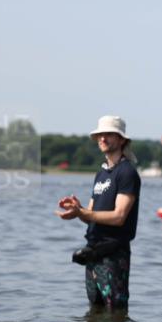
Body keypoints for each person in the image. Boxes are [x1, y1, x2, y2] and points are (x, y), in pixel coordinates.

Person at [57, 116, 141, 310]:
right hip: (93, 252)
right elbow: (93, 215)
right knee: (94, 314)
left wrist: (84, 213)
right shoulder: (101, 173)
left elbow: (119, 216)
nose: (102, 138)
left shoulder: (127, 172)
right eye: (100, 135)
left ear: (121, 140)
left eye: (109, 134)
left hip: (114, 254)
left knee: (115, 313)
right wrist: (77, 211)